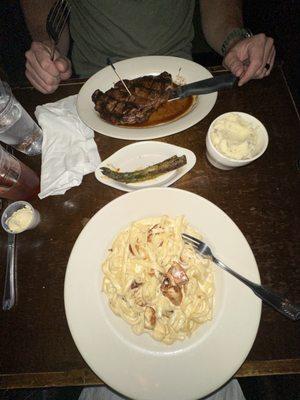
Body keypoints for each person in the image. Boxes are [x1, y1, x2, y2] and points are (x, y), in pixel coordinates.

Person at [20, 0, 275, 95]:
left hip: (182, 81)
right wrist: (47, 47)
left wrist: (235, 40)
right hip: (94, 82)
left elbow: (219, 5)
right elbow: (45, 7)